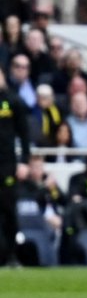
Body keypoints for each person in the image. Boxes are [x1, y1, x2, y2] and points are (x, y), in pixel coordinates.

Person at [0, 66, 30, 265]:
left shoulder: (13, 101)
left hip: (7, 165)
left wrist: (24, 162)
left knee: (9, 211)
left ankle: (11, 255)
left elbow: (24, 134)